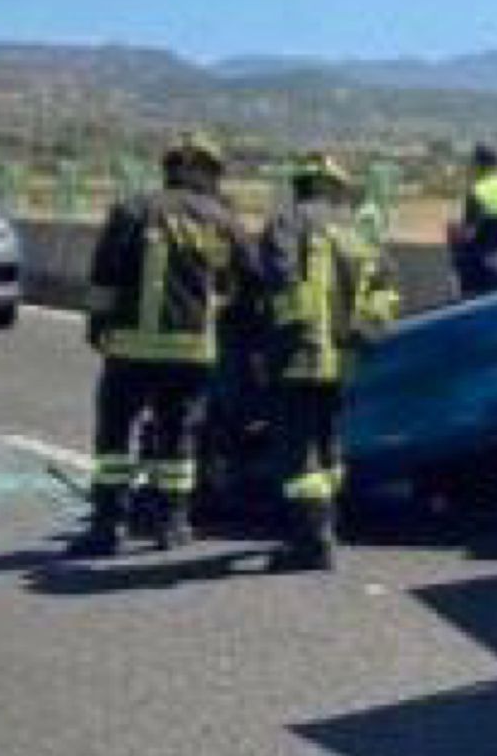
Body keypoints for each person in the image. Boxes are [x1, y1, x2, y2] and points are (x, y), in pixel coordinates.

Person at [70, 133, 259, 557]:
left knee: (116, 438)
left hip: (129, 349)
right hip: (192, 352)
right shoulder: (223, 220)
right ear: (201, 171)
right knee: (178, 438)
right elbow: (251, 280)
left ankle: (107, 527)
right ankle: (172, 523)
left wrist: (97, 326)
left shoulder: (132, 209)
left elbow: (104, 277)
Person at [258, 152, 399, 570]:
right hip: (343, 361)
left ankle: (311, 542)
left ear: (299, 184)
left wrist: (279, 347)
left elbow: (278, 285)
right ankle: (326, 526)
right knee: (328, 445)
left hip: (300, 358)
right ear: (337, 188)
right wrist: (364, 333)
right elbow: (388, 289)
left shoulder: (286, 224)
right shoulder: (358, 232)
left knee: (299, 453)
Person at [449, 144, 497, 298]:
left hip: (478, 263)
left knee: (473, 309)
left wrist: (453, 233)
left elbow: (468, 233)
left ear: (479, 166)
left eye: (472, 165)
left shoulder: (478, 191)